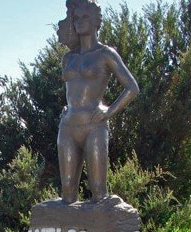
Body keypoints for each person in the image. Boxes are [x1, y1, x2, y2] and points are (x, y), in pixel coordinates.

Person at [57, 0, 139, 203]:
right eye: (76, 18)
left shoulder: (105, 54)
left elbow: (132, 88)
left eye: (85, 17)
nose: (79, 22)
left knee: (98, 192)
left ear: (95, 22)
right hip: (68, 126)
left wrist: (109, 112)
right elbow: (73, 90)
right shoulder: (68, 58)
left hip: (94, 126)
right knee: (67, 191)